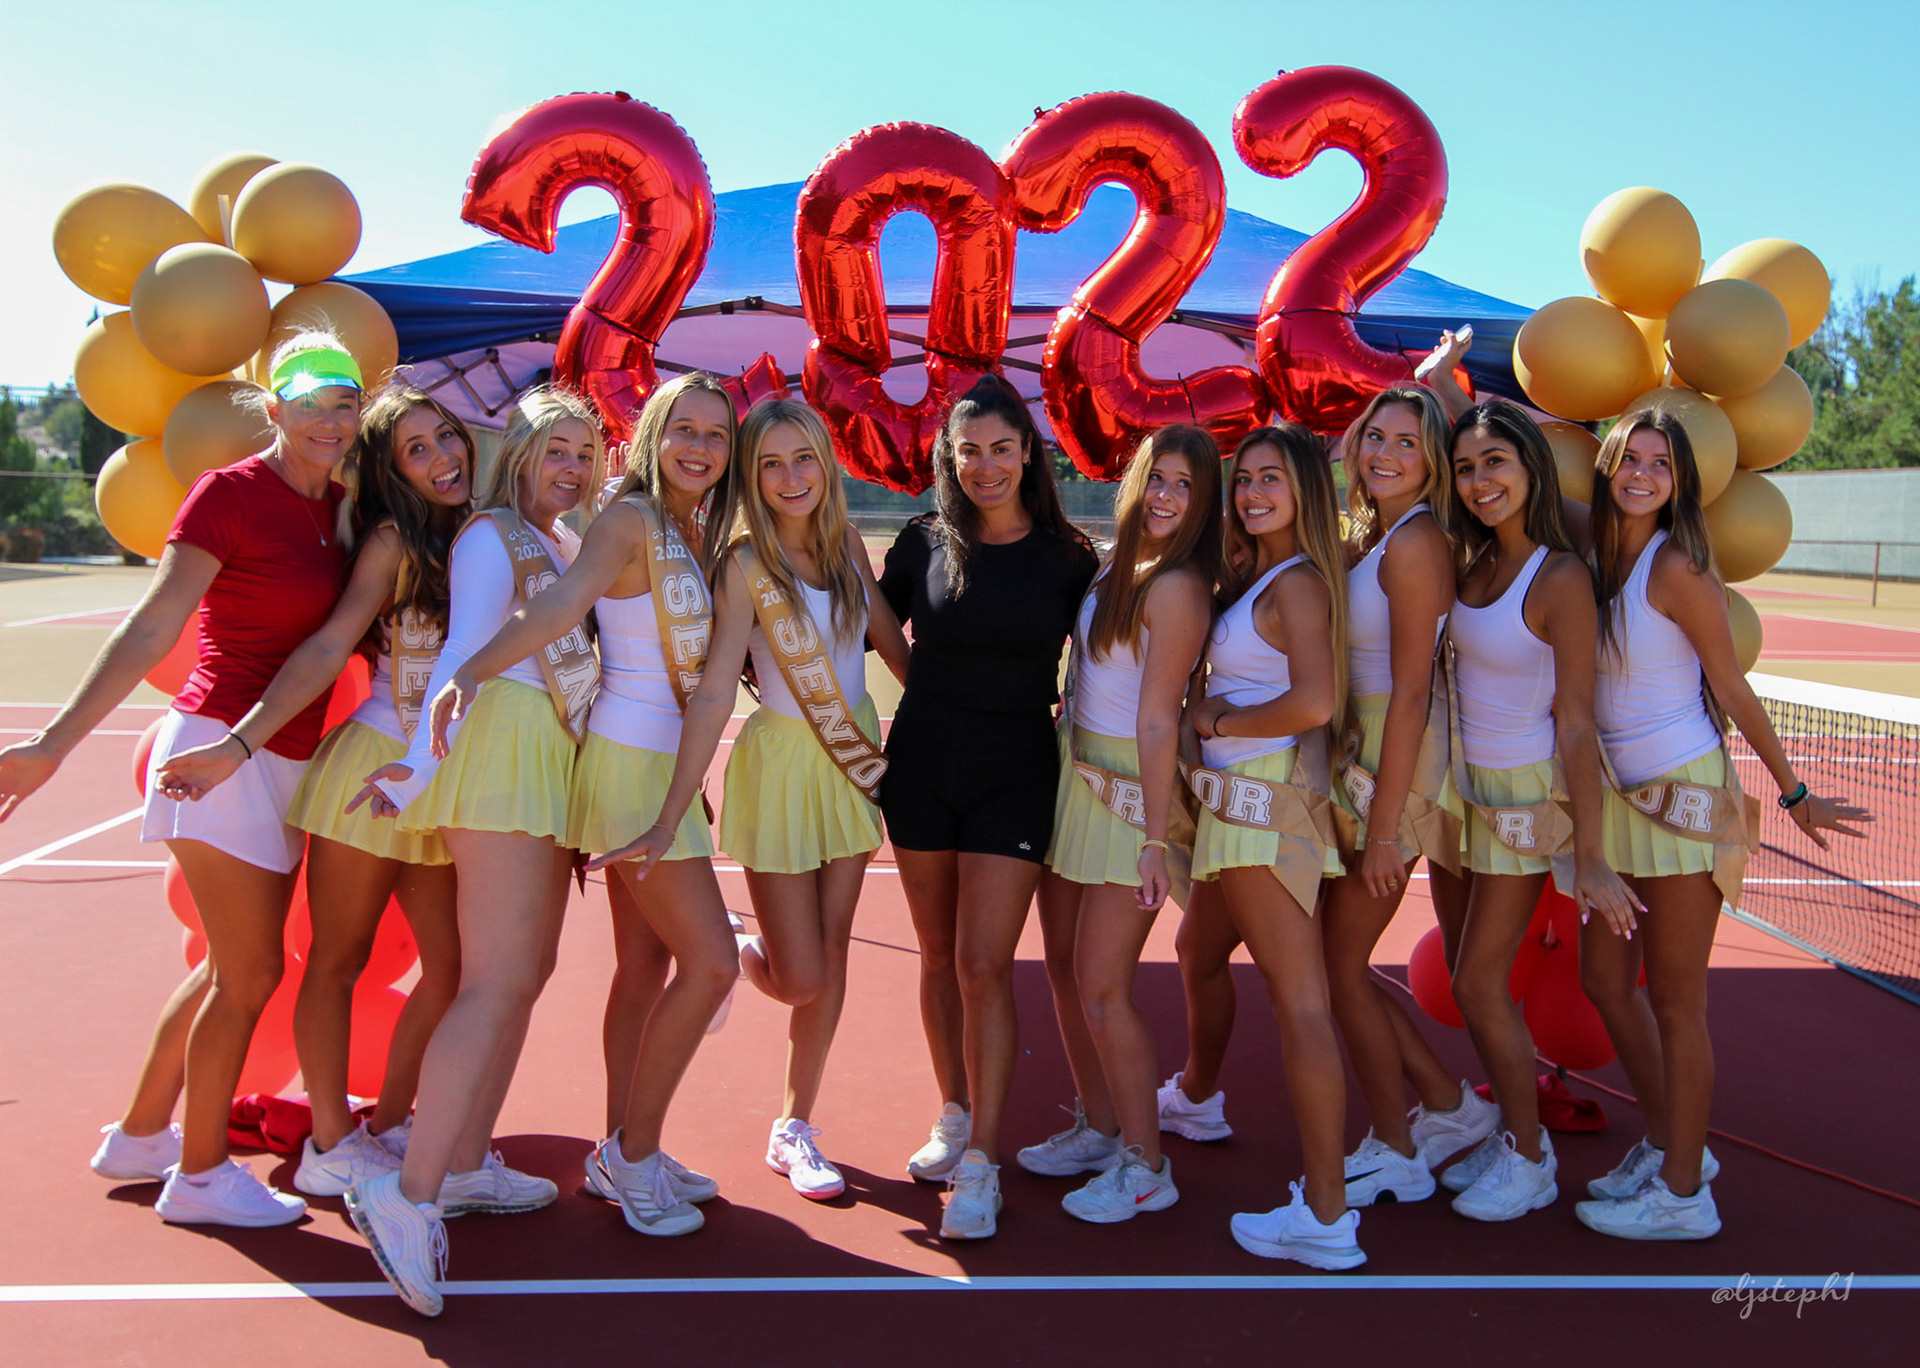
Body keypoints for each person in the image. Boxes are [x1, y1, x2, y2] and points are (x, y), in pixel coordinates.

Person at [0, 333, 362, 1225]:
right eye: (309, 402)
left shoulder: (345, 507)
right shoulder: (229, 493)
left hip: (282, 755)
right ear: (272, 408)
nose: (329, 419)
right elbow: (155, 623)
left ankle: (140, 1134)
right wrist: (53, 742)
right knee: (249, 975)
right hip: (215, 749)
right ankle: (200, 1178)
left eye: (345, 402)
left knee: (227, 970)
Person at [428, 373, 743, 1246]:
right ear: (651, 436)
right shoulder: (630, 518)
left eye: (716, 435)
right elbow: (561, 604)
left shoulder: (693, 527)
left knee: (644, 967)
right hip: (630, 766)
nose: (700, 447)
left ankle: (621, 1147)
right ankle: (633, 1158)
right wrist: (471, 671)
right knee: (712, 965)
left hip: (661, 762)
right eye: (684, 429)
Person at [155, 385, 475, 1198]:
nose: (442, 456)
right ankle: (331, 1141)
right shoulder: (393, 540)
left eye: (446, 436)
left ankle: (391, 1123)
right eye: (416, 449)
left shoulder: (478, 532)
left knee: (452, 969)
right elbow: (332, 644)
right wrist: (238, 744)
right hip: (371, 768)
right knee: (336, 961)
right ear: (391, 471)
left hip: (442, 779)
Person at [598, 397, 909, 1200]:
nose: (790, 477)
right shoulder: (742, 564)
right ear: (752, 476)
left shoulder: (846, 545)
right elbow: (711, 694)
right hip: (778, 769)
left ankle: (795, 1125)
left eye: (803, 458)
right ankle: (740, 949)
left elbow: (891, 645)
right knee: (800, 976)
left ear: (826, 464)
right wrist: (674, 808)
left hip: (848, 759)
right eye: (770, 464)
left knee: (832, 960)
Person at [1573, 408, 1867, 1240]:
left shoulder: (1676, 569)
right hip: (1614, 797)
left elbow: (1731, 687)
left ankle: (1683, 1195)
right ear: (1607, 465)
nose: (1642, 475)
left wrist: (1796, 794)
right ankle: (1674, 1144)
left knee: (1676, 1000)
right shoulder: (1589, 549)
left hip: (1683, 800)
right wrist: (1447, 392)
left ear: (1680, 485)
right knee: (1604, 981)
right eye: (1631, 458)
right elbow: (1511, 464)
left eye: (1661, 465)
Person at [343, 387, 602, 1316]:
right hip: (501, 750)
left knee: (526, 972)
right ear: (518, 453)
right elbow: (461, 657)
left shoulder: (565, 541)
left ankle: (461, 1162)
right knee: (493, 979)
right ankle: (406, 1193)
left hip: (548, 757)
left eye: (585, 453)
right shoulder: (493, 537)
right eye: (555, 449)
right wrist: (417, 769)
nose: (571, 467)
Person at [876, 375, 1097, 1240]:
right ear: (948, 456)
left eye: (1002, 447)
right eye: (968, 450)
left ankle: (982, 1163)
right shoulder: (922, 540)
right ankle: (954, 1111)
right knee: (937, 956)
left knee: (983, 965)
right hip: (921, 767)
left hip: (1017, 774)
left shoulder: (1069, 558)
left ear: (1028, 452)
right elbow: (871, 623)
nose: (986, 465)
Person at [1434, 399, 1641, 1222]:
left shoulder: (1559, 577)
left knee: (1478, 982)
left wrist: (1589, 853)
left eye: (1497, 462)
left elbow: (1578, 720)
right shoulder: (1472, 561)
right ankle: (1514, 1135)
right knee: (1474, 985)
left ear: (1532, 470)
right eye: (1466, 468)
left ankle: (1528, 1156)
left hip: (1525, 801)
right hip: (1464, 793)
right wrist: (1448, 394)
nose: (1479, 481)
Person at [1182, 424, 1359, 1267]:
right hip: (1238, 806)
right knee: (1197, 951)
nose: (1252, 493)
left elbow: (1316, 702)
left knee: (1302, 1004)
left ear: (1304, 493)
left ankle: (1326, 1215)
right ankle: (1195, 1094)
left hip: (1264, 806)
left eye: (1271, 480)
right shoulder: (1266, 573)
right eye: (1245, 479)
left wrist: (1219, 721)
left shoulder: (1298, 586)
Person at [1323, 387, 1495, 1208]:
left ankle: (1397, 1145)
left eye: (1407, 443)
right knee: (1335, 967)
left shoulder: (1417, 543)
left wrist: (1387, 828)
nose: (1384, 454)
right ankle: (1446, 1105)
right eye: (1375, 437)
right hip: (1360, 755)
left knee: (1337, 968)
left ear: (1432, 465)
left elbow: (1415, 694)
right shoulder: (1372, 533)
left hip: (1399, 764)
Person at [1046, 425, 1218, 1225]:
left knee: (1104, 986)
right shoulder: (1119, 562)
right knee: (1068, 971)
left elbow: (1157, 719)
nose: (1167, 496)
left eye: (1186, 485)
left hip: (1125, 792)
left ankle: (1148, 1166)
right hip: (1075, 773)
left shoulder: (1178, 586)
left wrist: (1154, 837)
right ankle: (1102, 1127)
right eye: (1158, 477)